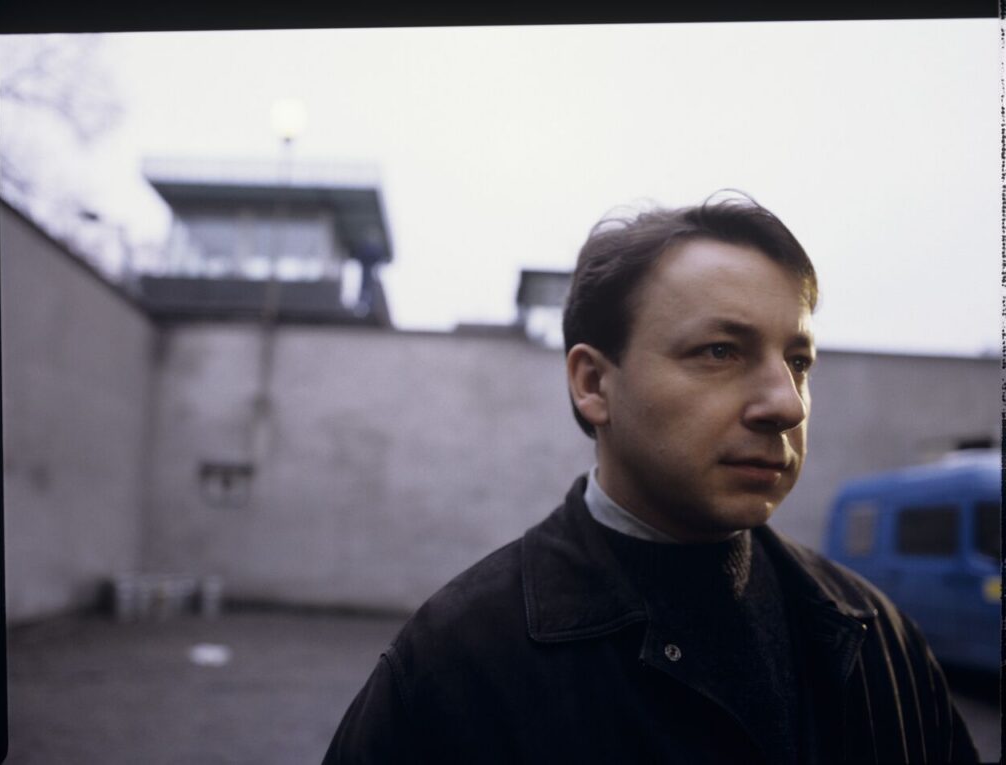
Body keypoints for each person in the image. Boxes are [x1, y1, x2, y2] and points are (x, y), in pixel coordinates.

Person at [323, 194, 978, 764]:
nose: (787, 403)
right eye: (721, 351)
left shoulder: (877, 638)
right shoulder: (456, 664)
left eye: (798, 360)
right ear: (593, 383)